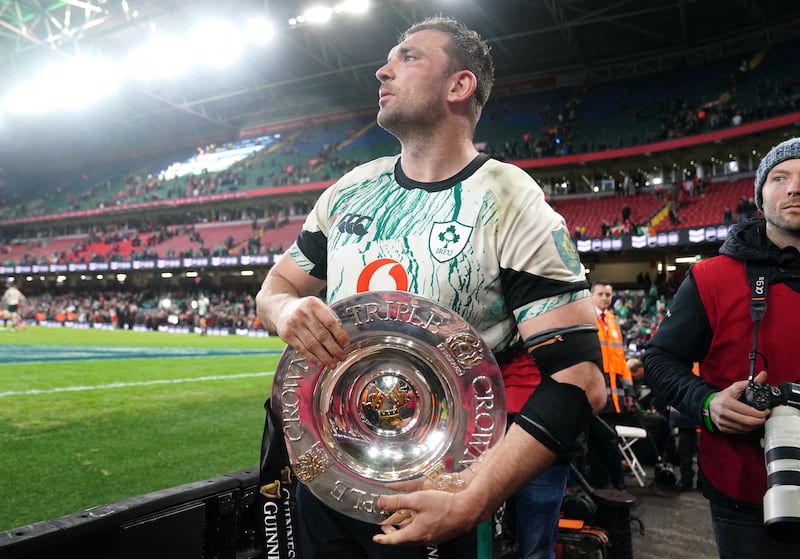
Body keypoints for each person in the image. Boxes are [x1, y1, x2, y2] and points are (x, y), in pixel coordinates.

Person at [255, 16, 606, 558]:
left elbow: (579, 381)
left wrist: (474, 499)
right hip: (327, 475)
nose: (382, 70)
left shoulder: (508, 198)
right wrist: (285, 310)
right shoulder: (350, 191)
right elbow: (275, 286)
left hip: (439, 494)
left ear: (459, 86)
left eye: (408, 57)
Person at [643, 137, 800, 558]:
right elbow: (658, 361)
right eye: (780, 177)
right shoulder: (711, 278)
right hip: (746, 491)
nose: (794, 188)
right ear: (760, 195)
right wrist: (707, 403)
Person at [585, 280, 634, 490]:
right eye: (601, 294)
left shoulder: (613, 322)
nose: (606, 298)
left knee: (606, 440)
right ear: (591, 296)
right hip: (595, 391)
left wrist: (629, 389)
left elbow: (621, 359)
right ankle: (610, 484)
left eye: (608, 294)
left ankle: (610, 485)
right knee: (599, 442)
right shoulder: (586, 319)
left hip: (614, 395)